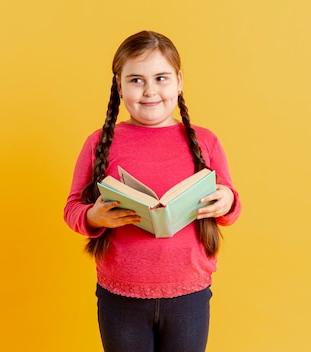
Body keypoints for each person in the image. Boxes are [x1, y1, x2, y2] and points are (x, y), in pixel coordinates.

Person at [63, 31, 242, 352]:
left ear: (179, 80)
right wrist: (94, 215)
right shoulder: (98, 142)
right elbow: (72, 208)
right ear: (119, 86)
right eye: (135, 80)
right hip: (120, 296)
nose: (149, 91)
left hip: (189, 294)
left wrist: (226, 201)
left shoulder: (206, 141)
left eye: (161, 78)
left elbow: (230, 202)